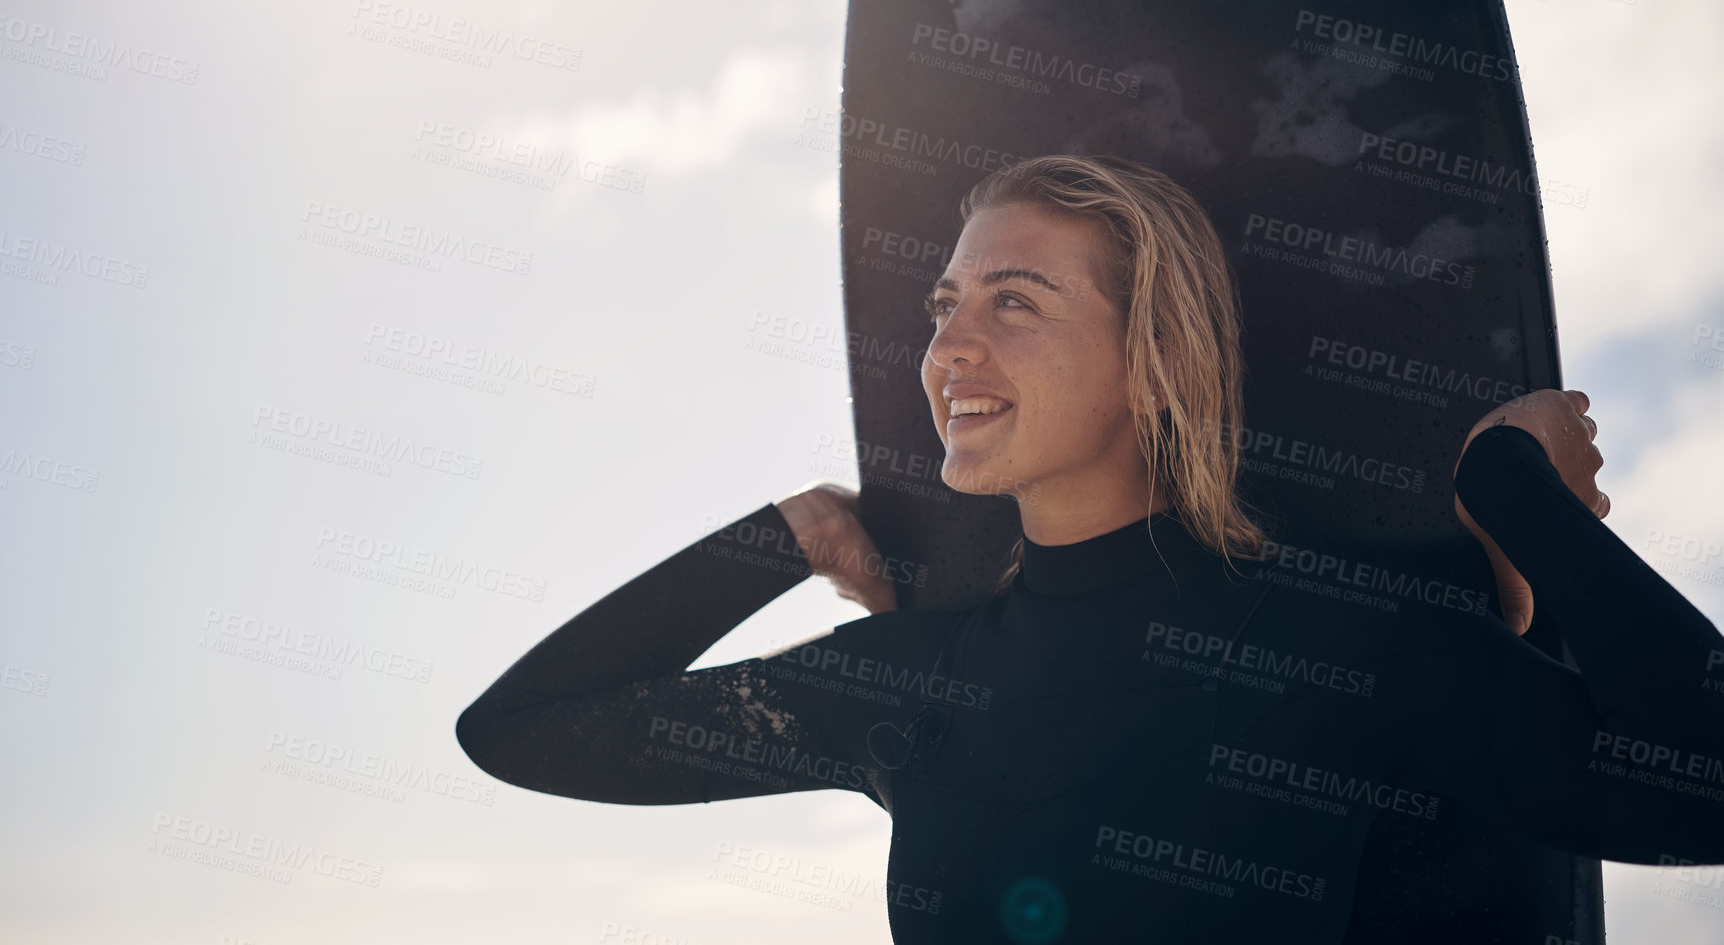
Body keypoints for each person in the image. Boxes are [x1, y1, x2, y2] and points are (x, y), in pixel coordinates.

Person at [455, 155, 1724, 943]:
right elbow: (525, 729)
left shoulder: (1333, 644)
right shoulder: (908, 682)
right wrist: (777, 538)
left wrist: (1517, 499)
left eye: (1015, 302)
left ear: (1151, 363)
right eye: (946, 305)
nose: (949, 349)